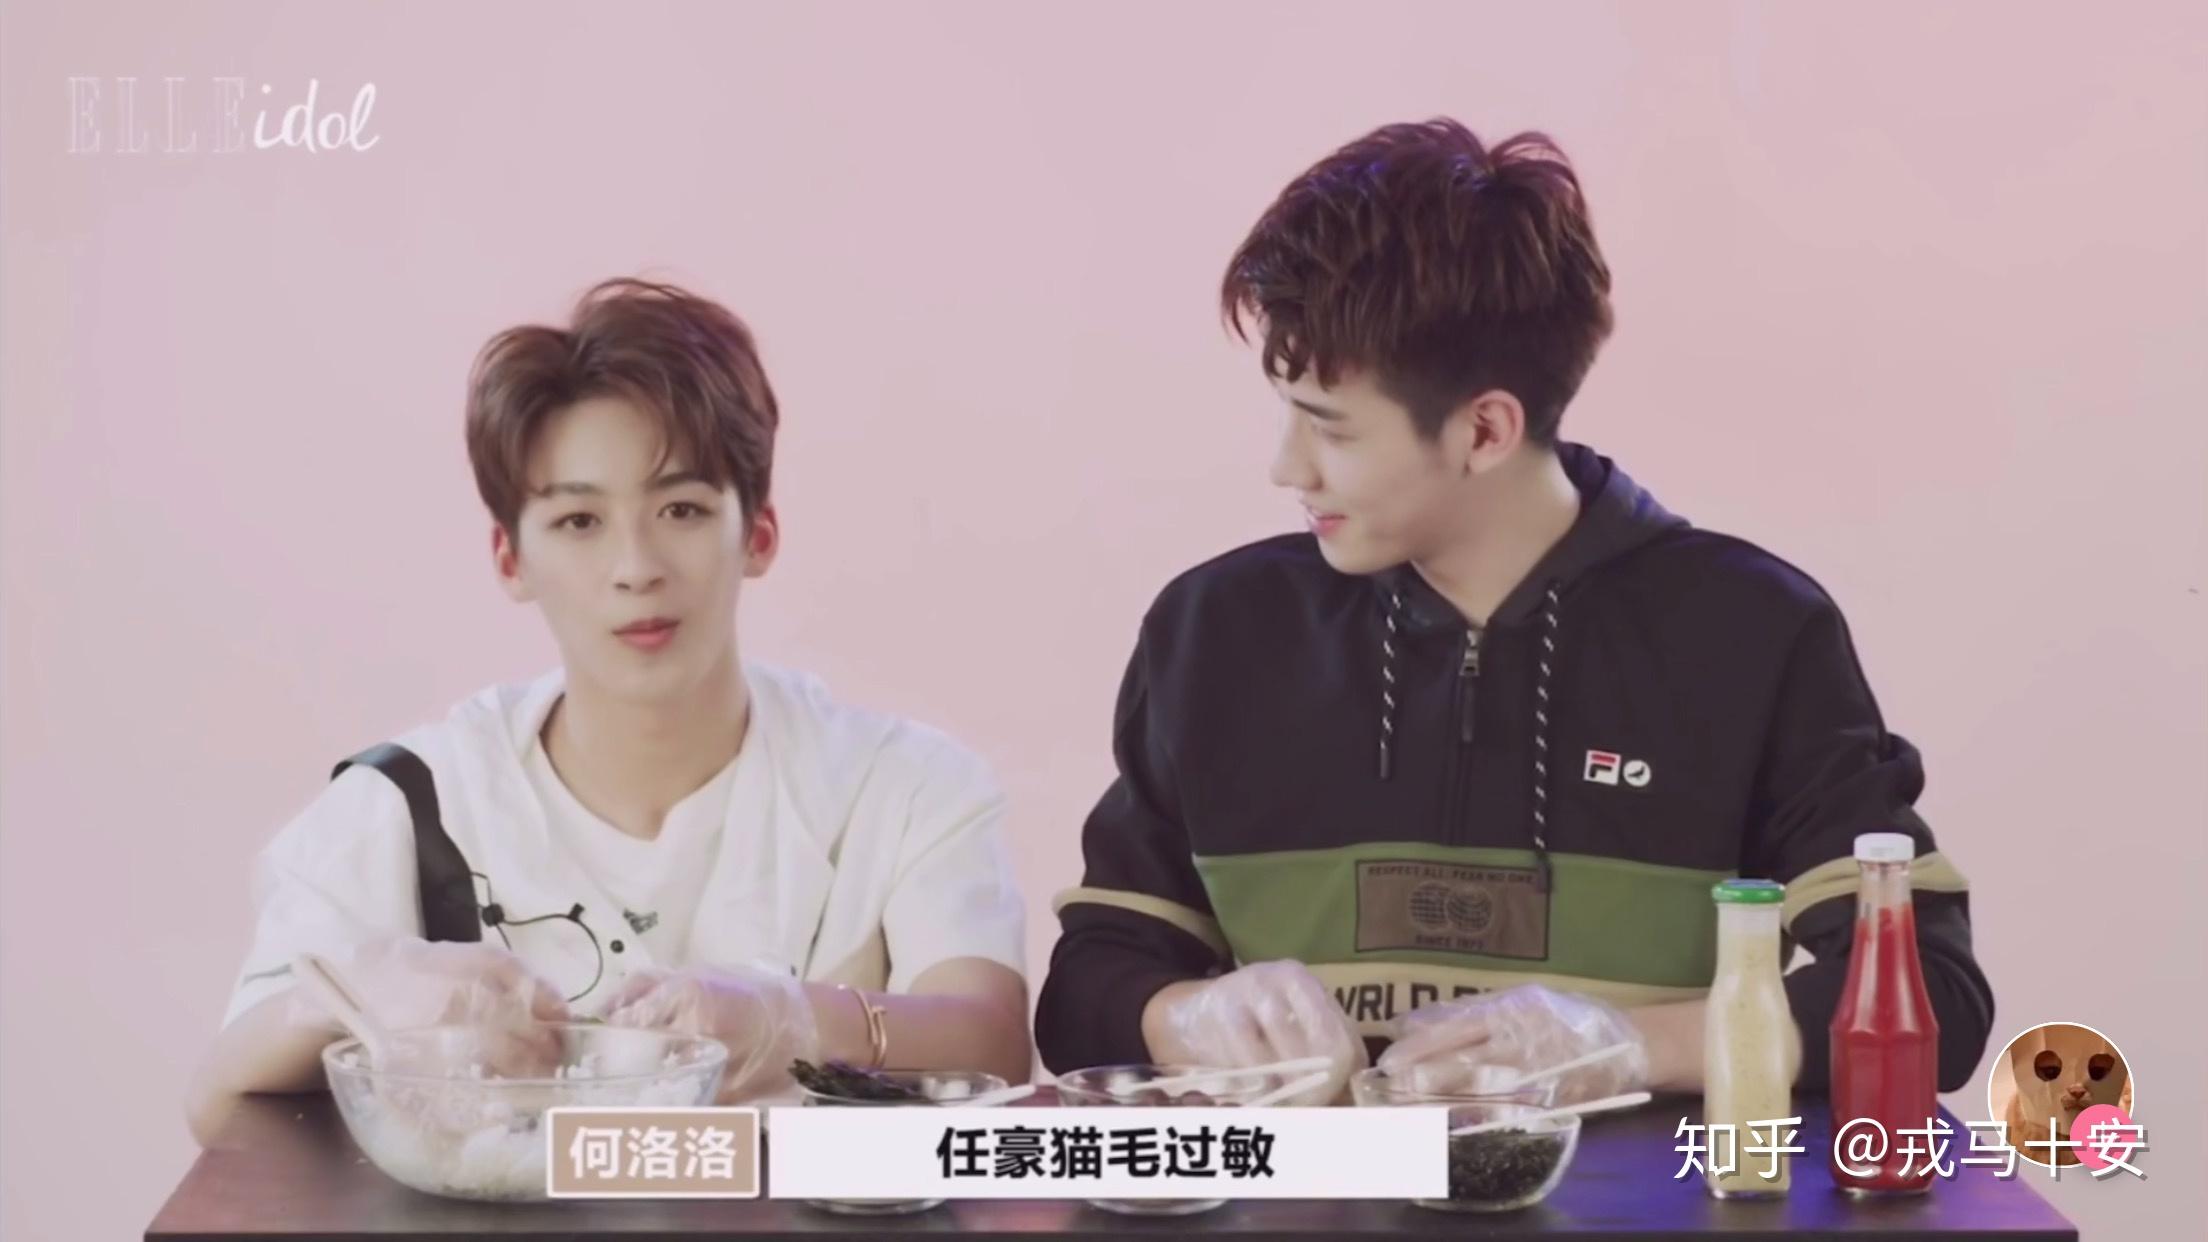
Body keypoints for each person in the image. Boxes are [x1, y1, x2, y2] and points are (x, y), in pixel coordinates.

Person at [1034, 120, 1994, 1106]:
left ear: (1486, 429)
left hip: (1644, 1191)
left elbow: (1935, 1000)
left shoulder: (1752, 633)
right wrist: (1186, 1019)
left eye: (1331, 428)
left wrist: (1628, 1046)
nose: (1288, 468)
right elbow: (1084, 993)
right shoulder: (1216, 633)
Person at [186, 278, 1030, 1144]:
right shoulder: (409, 802)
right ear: (510, 558)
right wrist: (355, 998)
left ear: (758, 534)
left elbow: (996, 1044)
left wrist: (791, 1021)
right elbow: (216, 1107)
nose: (636, 567)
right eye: (579, 521)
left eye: (682, 510)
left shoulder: (903, 784)